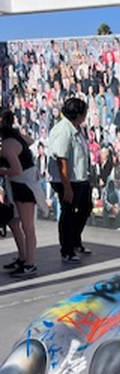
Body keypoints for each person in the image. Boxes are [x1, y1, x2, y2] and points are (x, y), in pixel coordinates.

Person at [0, 109, 47, 278]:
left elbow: (17, 170)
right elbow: (30, 141)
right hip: (18, 184)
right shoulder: (14, 138)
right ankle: (23, 256)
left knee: (27, 225)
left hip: (24, 185)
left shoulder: (7, 145)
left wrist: (2, 172)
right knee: (14, 222)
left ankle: (30, 262)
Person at [48, 98, 92, 264]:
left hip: (80, 177)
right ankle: (67, 250)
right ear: (78, 114)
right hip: (67, 180)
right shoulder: (63, 130)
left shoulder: (77, 128)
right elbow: (62, 160)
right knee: (68, 213)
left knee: (86, 207)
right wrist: (67, 187)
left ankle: (75, 241)